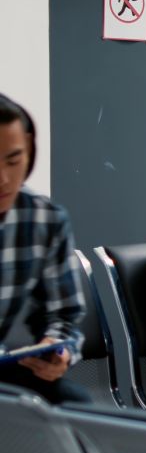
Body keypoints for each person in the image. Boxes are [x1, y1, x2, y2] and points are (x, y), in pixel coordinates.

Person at [0, 93, 89, 404]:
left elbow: (62, 313)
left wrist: (57, 348)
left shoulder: (43, 219)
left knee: (78, 409)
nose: (3, 179)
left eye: (13, 160)